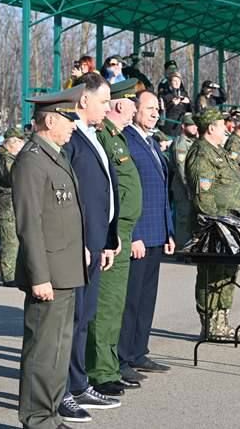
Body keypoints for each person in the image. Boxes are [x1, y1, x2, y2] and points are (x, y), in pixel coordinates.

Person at [12, 86, 87, 429]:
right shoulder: (31, 160)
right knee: (43, 352)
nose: (74, 124)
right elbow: (30, 225)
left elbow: (65, 215)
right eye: (69, 118)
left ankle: (51, 415)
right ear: (52, 120)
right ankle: (37, 419)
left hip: (66, 269)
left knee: (58, 351)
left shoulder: (55, 154)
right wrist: (39, 276)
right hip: (49, 275)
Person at [60, 73, 122, 423]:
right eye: (103, 101)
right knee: (73, 318)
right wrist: (82, 242)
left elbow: (105, 194)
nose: (108, 106)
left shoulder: (94, 136)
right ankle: (64, 389)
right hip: (80, 245)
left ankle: (80, 382)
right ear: (83, 100)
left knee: (85, 317)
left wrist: (109, 240)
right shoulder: (72, 138)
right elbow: (69, 198)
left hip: (98, 242)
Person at [88, 80, 144, 397]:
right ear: (120, 104)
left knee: (115, 307)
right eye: (133, 102)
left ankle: (110, 367)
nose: (135, 108)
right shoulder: (104, 137)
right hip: (115, 232)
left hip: (123, 231)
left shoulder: (117, 138)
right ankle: (100, 371)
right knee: (106, 306)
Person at [119, 90, 175, 379]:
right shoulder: (127, 141)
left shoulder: (151, 142)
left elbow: (161, 191)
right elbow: (127, 192)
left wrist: (169, 231)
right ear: (134, 110)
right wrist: (135, 234)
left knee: (147, 298)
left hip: (157, 233)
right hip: (139, 235)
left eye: (158, 109)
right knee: (131, 299)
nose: (155, 113)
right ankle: (122, 358)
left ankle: (139, 351)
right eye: (150, 108)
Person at [185, 108, 240, 339]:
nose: (226, 129)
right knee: (212, 275)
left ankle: (222, 321)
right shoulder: (202, 154)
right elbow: (204, 197)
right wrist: (217, 224)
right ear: (211, 128)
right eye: (222, 125)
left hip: (231, 225)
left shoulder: (218, 151)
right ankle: (210, 324)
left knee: (227, 273)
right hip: (215, 228)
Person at [0, 126, 25, 286]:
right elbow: (13, 179)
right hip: (7, 206)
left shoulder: (11, 158)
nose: (22, 145)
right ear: (12, 143)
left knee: (15, 240)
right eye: (20, 142)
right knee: (9, 242)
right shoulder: (7, 160)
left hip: (13, 204)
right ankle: (9, 276)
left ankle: (15, 273)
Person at [168, 112, 198, 249]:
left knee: (189, 218)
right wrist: (188, 188)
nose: (194, 128)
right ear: (183, 126)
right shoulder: (180, 144)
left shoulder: (192, 142)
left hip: (189, 188)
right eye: (191, 125)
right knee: (183, 219)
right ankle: (181, 247)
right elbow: (182, 170)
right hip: (182, 188)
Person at [158, 70, 191, 134]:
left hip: (182, 126)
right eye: (175, 81)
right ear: (170, 82)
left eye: (179, 81)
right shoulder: (164, 95)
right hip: (170, 126)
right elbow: (162, 111)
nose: (177, 83)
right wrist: (172, 104)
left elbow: (191, 110)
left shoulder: (184, 94)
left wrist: (188, 103)